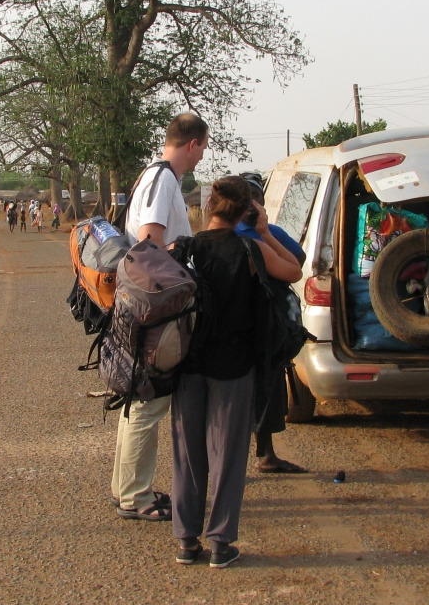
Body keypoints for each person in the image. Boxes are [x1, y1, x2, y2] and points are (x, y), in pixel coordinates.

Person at [171, 176, 303, 567]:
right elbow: (294, 270)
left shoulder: (186, 248)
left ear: (209, 207)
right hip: (233, 365)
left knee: (188, 454)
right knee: (228, 455)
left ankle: (186, 541)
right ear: (247, 210)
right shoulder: (251, 248)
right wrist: (264, 230)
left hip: (188, 365)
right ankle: (220, 544)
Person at [110, 112, 209, 521]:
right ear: (193, 144)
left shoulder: (157, 176)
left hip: (146, 302)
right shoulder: (163, 179)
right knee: (149, 402)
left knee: (139, 398)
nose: (203, 155)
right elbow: (152, 240)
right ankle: (136, 498)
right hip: (155, 306)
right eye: (204, 147)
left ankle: (127, 490)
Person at [234, 172, 309, 474]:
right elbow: (296, 262)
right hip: (254, 324)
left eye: (258, 201)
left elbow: (298, 260)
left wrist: (265, 232)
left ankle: (265, 455)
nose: (254, 207)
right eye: (249, 201)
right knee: (257, 389)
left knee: (265, 388)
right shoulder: (245, 233)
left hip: (261, 324)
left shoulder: (266, 232)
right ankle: (258, 457)